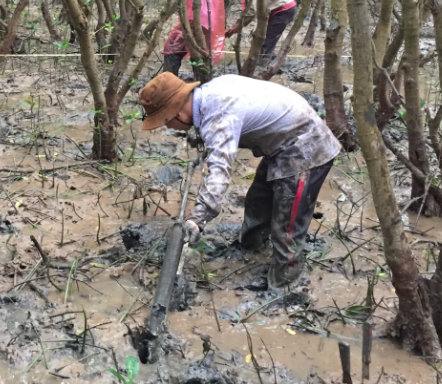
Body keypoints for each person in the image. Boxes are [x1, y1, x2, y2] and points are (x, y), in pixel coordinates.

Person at [138, 72, 341, 290]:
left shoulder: (218, 116)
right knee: (258, 201)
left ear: (176, 112)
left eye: (166, 122)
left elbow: (220, 172)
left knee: (287, 224)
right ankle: (249, 248)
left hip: (307, 145)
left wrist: (198, 218)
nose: (168, 128)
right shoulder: (209, 94)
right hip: (281, 144)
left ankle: (285, 285)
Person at [225, 0, 297, 65]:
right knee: (259, 40)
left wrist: (237, 26)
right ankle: (272, 64)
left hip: (284, 10)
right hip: (280, 9)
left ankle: (261, 68)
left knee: (264, 44)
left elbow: (251, 12)